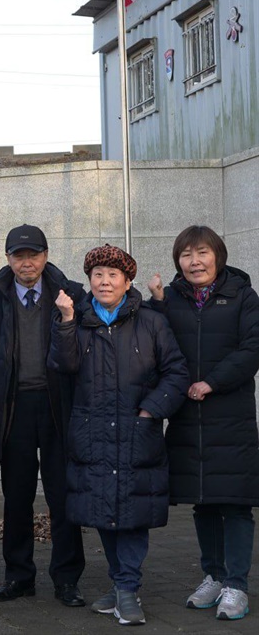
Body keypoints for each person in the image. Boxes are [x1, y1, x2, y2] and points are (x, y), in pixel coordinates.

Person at [52, 243, 189, 626]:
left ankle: (127, 588)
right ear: (89, 280)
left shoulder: (150, 321)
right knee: (103, 512)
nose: (105, 281)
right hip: (91, 434)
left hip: (136, 433)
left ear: (128, 281)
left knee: (131, 513)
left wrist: (151, 409)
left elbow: (176, 373)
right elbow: (63, 365)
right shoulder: (77, 319)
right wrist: (64, 321)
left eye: (113, 275)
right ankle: (120, 584)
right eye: (98, 275)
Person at [148, 225, 259, 622]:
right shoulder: (172, 300)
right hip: (187, 418)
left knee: (235, 503)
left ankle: (236, 585)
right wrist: (157, 303)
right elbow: (157, 344)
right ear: (178, 261)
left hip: (230, 416)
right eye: (186, 255)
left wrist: (211, 382)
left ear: (218, 256)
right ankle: (212, 575)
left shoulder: (243, 297)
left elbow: (252, 349)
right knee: (203, 502)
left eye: (202, 253)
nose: (195, 262)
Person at [0, 224, 87, 606]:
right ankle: (18, 575)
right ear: (8, 258)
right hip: (13, 409)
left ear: (46, 255)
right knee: (17, 497)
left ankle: (67, 579)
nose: (27, 262)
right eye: (19, 255)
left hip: (59, 407)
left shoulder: (70, 293)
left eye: (34, 254)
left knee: (62, 496)